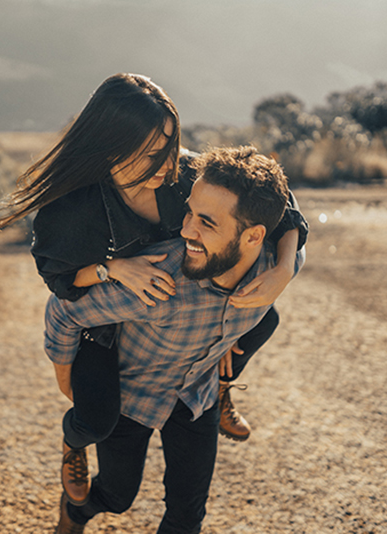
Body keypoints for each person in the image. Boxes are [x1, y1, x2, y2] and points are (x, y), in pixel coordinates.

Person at [0, 73, 308, 507]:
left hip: (180, 311)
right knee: (95, 421)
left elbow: (280, 203)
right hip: (108, 325)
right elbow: (60, 281)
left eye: (170, 147)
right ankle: (73, 443)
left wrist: (284, 269)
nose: (168, 165)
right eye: (152, 154)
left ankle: (221, 385)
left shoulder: (186, 172)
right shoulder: (73, 208)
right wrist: (111, 269)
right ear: (109, 147)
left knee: (265, 318)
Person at [45, 146, 306, 533]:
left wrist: (284, 269)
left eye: (206, 223)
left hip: (197, 395)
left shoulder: (274, 270)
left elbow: (292, 225)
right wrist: (66, 381)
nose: (186, 230)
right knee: (116, 496)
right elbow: (63, 310)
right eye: (189, 213)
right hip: (132, 397)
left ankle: (224, 388)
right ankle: (74, 512)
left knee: (187, 515)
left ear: (254, 237)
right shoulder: (156, 280)